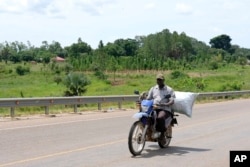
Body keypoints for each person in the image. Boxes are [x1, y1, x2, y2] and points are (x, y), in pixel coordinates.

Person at [147, 73, 176, 138]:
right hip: (154, 107)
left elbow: (172, 100)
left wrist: (165, 104)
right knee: (146, 116)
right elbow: (149, 98)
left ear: (163, 80)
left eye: (160, 80)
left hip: (164, 109)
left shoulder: (169, 90)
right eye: (158, 79)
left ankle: (162, 133)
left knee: (160, 117)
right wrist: (142, 100)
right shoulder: (153, 88)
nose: (159, 81)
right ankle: (148, 130)